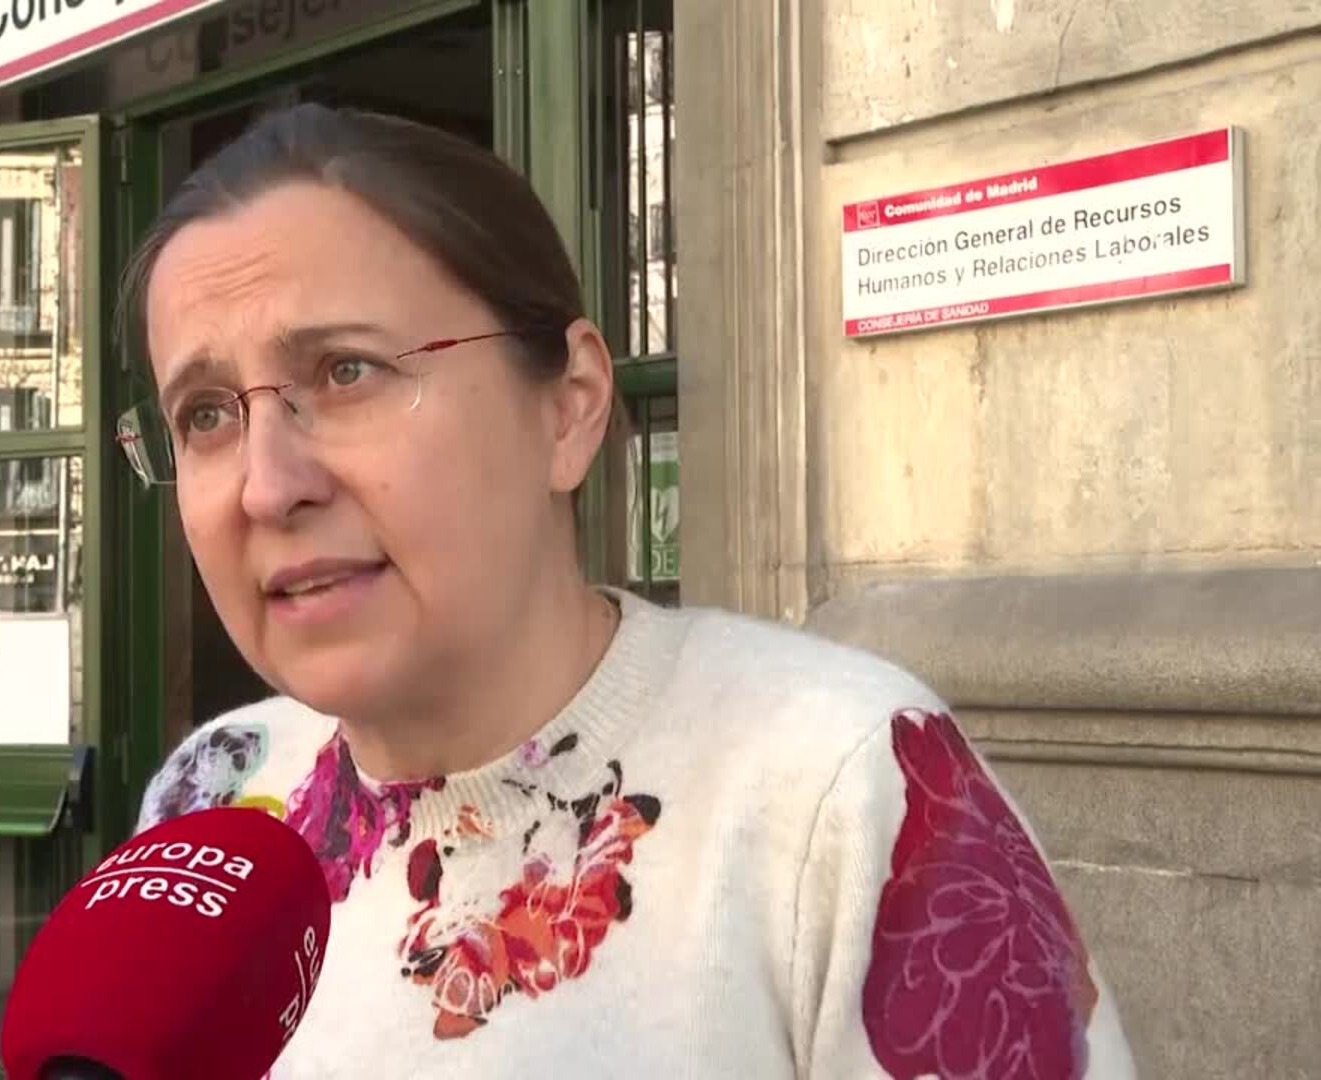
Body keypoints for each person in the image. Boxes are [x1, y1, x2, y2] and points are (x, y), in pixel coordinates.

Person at [122, 105, 1138, 1077]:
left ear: (570, 407)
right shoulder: (214, 794)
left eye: (346, 371)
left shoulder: (843, 789)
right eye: (206, 414)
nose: (266, 485)